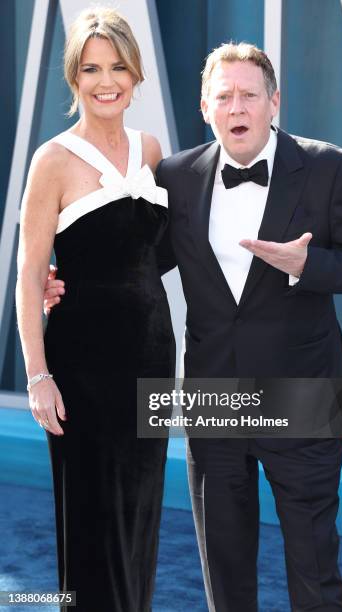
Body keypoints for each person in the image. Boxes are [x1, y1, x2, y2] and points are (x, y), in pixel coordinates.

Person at [45, 43, 342, 611]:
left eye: (250, 95)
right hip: (213, 400)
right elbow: (138, 263)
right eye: (224, 96)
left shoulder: (330, 166)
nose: (238, 107)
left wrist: (310, 265)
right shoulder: (177, 175)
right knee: (224, 581)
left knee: (315, 574)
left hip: (305, 395)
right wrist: (68, 279)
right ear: (205, 107)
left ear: (273, 102)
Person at [16, 7, 175, 612]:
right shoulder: (51, 160)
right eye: (91, 69)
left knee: (140, 522)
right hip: (84, 365)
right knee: (92, 525)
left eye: (117, 67)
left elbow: (146, 257)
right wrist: (37, 376)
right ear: (73, 78)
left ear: (136, 74)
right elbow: (31, 274)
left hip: (154, 358)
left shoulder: (151, 149)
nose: (106, 81)